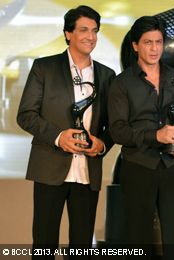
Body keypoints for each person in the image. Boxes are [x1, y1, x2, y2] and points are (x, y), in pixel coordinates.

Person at [16, 5, 115, 256]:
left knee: (82, 246)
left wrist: (101, 144)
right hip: (50, 167)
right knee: (44, 243)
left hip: (87, 172)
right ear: (68, 33)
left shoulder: (107, 75)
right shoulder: (44, 68)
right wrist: (59, 137)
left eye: (94, 31)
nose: (90, 36)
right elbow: (26, 115)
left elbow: (114, 126)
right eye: (83, 30)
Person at [107, 16, 174, 259]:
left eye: (158, 42)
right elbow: (117, 130)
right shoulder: (121, 83)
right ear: (136, 45)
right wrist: (156, 136)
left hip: (173, 166)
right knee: (137, 239)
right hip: (138, 166)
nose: (155, 48)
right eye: (148, 42)